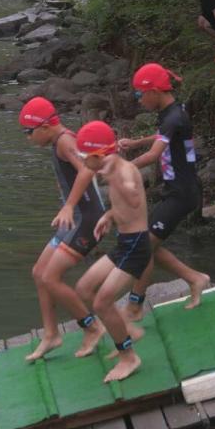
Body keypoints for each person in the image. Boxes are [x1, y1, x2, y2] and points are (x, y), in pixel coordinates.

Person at [118, 63, 210, 323]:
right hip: (179, 189)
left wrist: (121, 168)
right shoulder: (173, 111)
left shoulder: (174, 117)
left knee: (143, 246)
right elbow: (162, 137)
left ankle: (135, 305)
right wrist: (136, 142)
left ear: (155, 91)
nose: (138, 100)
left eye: (139, 94)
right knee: (146, 245)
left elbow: (154, 154)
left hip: (182, 194)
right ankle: (194, 278)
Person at [18, 97, 107, 362]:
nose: (28, 138)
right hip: (76, 218)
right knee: (39, 273)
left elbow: (87, 171)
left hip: (87, 219)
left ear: (44, 127)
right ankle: (51, 334)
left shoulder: (66, 141)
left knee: (50, 278)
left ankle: (91, 326)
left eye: (28, 132)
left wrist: (68, 205)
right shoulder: (61, 141)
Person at [73, 121, 150, 383]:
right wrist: (108, 215)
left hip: (137, 245)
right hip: (123, 242)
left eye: (85, 159)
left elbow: (135, 199)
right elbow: (126, 209)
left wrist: (118, 181)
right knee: (84, 288)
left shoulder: (124, 171)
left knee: (102, 302)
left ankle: (129, 357)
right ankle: (126, 329)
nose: (83, 164)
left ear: (98, 156)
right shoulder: (112, 168)